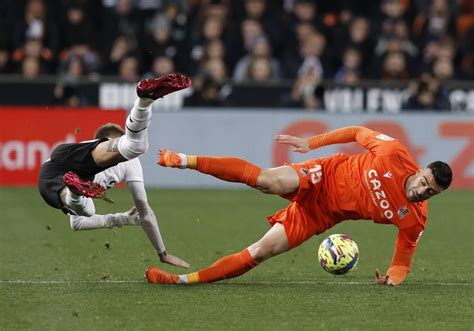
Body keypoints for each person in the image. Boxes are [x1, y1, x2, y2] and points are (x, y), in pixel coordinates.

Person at [146, 126, 452, 286]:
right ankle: (184, 160)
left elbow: (403, 259)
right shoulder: (392, 152)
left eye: (430, 192)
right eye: (424, 181)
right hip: (323, 175)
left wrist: (393, 279)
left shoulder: (414, 218)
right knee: (268, 181)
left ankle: (182, 280)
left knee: (260, 251)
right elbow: (356, 132)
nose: (421, 191)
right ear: (421, 169)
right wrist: (312, 143)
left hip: (322, 215)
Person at [38, 72, 191, 217]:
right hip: (58, 168)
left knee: (85, 209)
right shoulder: (113, 162)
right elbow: (77, 225)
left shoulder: (99, 154)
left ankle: (145, 101)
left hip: (59, 165)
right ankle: (143, 102)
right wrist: (123, 219)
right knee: (87, 210)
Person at [68, 123, 189, 268]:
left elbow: (77, 223)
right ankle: (73, 191)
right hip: (62, 179)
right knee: (83, 208)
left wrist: (122, 218)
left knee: (81, 208)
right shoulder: (130, 159)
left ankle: (73, 192)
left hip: (62, 182)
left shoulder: (85, 149)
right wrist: (162, 253)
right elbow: (144, 211)